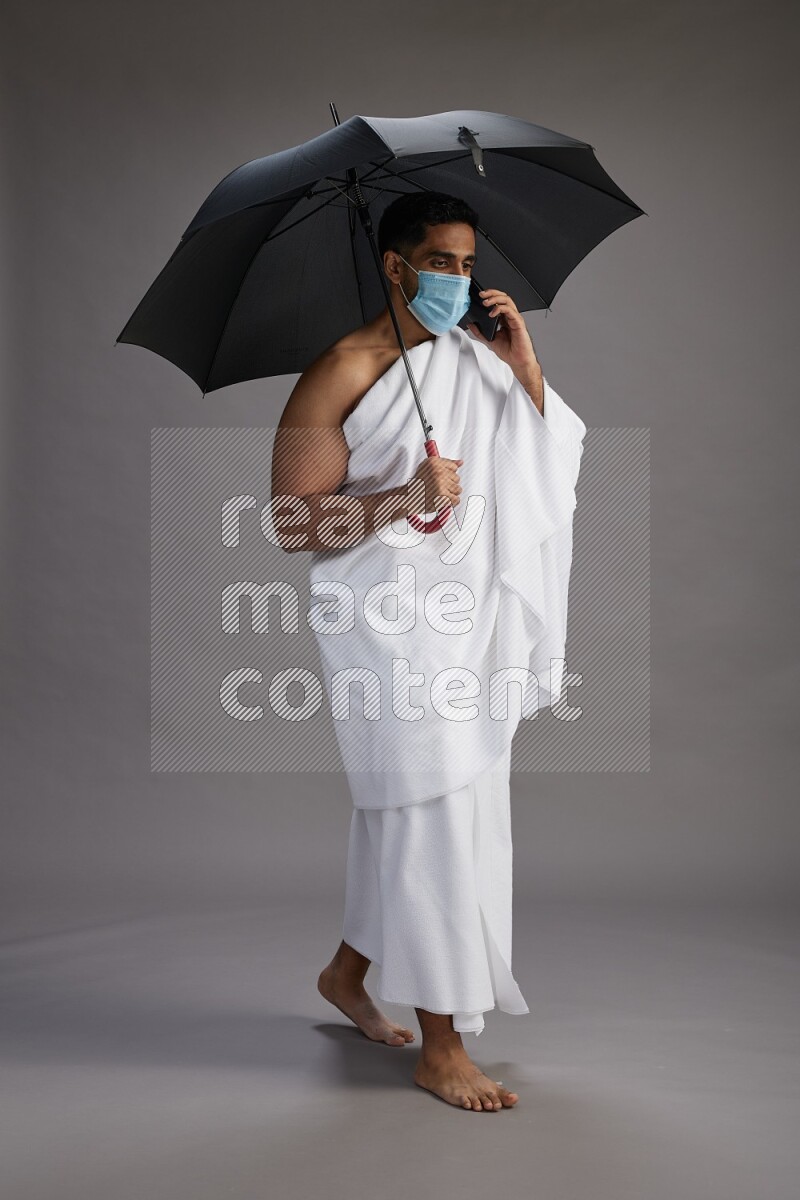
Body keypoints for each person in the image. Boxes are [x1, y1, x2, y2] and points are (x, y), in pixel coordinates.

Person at [271, 191, 586, 1112]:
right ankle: (441, 1043)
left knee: (437, 805)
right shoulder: (339, 370)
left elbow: (544, 458)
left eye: (466, 262)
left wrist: (524, 365)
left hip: (467, 617)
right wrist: (399, 499)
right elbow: (293, 522)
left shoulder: (468, 358)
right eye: (440, 262)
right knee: (434, 809)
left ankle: (345, 975)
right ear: (394, 265)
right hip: (387, 626)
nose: (459, 279)